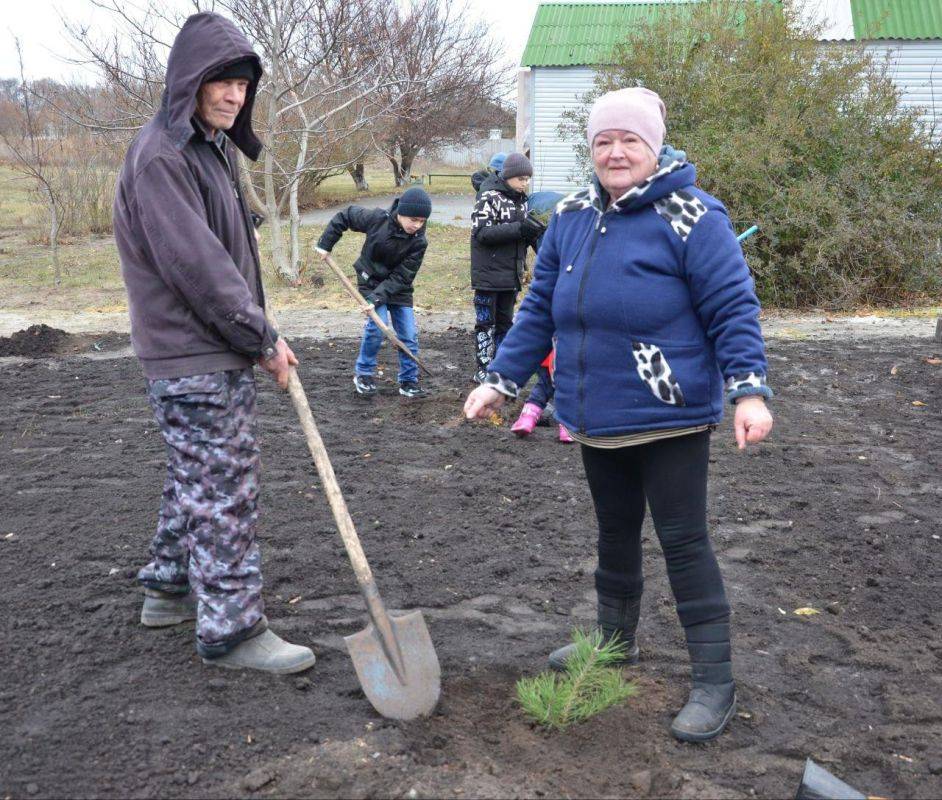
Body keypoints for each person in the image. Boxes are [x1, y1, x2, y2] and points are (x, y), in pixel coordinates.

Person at [464, 87, 774, 742]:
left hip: (670, 414)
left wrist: (749, 390)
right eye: (603, 141)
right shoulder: (573, 215)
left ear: (652, 146)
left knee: (684, 542)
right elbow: (540, 309)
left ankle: (714, 680)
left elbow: (732, 308)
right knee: (614, 534)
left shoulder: (693, 215)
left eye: (628, 140)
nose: (615, 151)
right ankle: (614, 643)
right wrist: (500, 380)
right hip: (595, 410)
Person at [113, 12, 315, 673]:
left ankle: (169, 589)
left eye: (243, 85)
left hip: (207, 349)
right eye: (221, 82)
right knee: (224, 485)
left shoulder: (207, 149)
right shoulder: (164, 158)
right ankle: (231, 630)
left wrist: (257, 334)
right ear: (189, 83)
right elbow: (200, 269)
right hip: (191, 353)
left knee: (194, 476)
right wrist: (261, 336)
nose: (234, 95)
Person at [314, 187, 433, 398]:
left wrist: (378, 298)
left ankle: (408, 381)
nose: (417, 225)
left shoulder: (419, 242)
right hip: (370, 281)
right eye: (413, 219)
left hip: (399, 287)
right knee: (377, 328)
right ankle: (364, 374)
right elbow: (346, 215)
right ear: (401, 212)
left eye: (422, 221)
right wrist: (326, 243)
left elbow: (403, 276)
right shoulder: (377, 219)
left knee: (409, 335)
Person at [469, 152, 545, 384]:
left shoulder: (521, 201)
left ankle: (499, 368)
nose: (525, 183)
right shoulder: (488, 197)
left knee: (505, 324)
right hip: (487, 275)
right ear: (508, 176)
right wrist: (519, 229)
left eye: (527, 179)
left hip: (511, 275)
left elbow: (527, 234)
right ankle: (482, 368)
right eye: (521, 179)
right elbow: (481, 233)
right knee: (485, 324)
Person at [510, 349, 574, 443]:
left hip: (547, 355)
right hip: (571, 357)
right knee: (569, 391)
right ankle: (567, 428)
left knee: (543, 386)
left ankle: (527, 419)